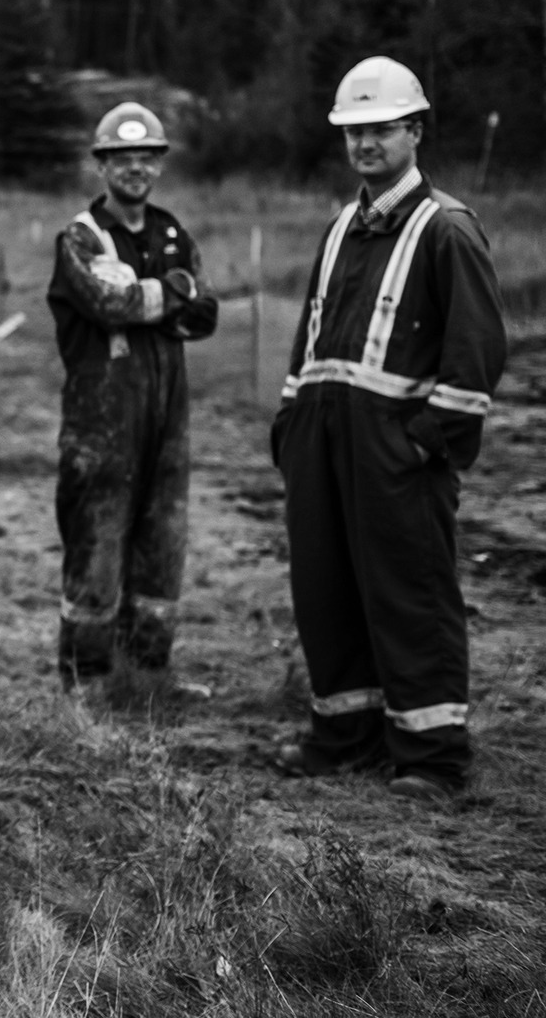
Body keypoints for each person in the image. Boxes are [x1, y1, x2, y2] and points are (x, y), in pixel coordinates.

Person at [272, 56, 505, 801]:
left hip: (395, 452)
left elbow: (475, 357)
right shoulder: (342, 225)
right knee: (326, 591)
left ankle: (431, 756)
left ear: (414, 130)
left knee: (409, 592)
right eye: (353, 131)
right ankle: (344, 737)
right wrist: (290, 425)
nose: (365, 143)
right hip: (323, 444)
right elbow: (309, 336)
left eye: (380, 128)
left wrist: (421, 441)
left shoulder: (448, 231)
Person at [46, 103, 218, 686]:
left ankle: (147, 671)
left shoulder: (174, 232)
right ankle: (87, 674)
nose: (136, 168)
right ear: (101, 164)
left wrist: (152, 297)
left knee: (163, 540)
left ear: (160, 166)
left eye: (147, 157)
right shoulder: (80, 237)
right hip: (101, 424)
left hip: (168, 421)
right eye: (123, 158)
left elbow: (205, 315)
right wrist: (173, 292)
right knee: (98, 542)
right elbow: (106, 303)